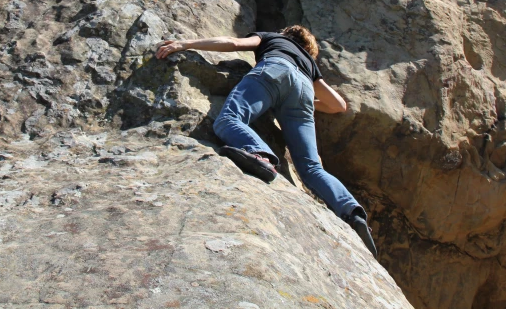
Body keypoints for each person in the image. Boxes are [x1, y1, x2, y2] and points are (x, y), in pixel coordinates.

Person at [155, 26, 377, 257]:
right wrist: (306, 102)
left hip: (274, 70)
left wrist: (186, 44)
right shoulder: (309, 63)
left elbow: (233, 43)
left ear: (286, 33)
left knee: (228, 120)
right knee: (311, 167)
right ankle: (353, 212)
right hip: (303, 92)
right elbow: (338, 105)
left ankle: (260, 155)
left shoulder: (274, 38)